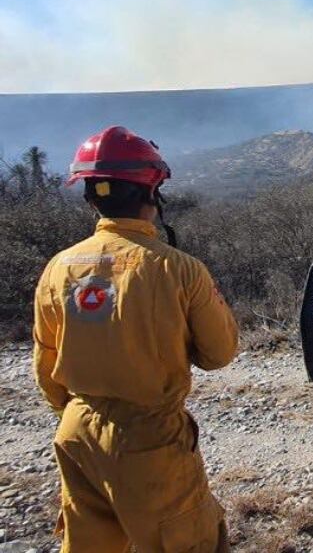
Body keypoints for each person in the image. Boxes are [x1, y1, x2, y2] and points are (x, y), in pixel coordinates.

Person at [33, 126, 238, 552]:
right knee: (185, 541)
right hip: (149, 440)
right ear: (153, 193)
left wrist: (82, 414)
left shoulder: (58, 268)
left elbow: (45, 366)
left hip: (76, 435)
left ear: (91, 196)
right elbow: (219, 354)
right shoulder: (178, 269)